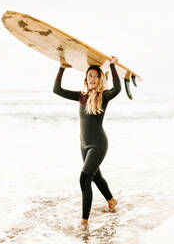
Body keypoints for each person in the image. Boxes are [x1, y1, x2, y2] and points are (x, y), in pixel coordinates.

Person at [53, 56, 121, 227]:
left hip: (98, 144)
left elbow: (118, 89)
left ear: (100, 79)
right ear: (86, 78)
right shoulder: (81, 96)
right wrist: (62, 68)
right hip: (84, 144)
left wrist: (112, 66)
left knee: (84, 179)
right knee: (96, 176)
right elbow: (57, 89)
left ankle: (84, 221)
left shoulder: (103, 96)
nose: (92, 79)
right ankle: (111, 201)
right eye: (89, 75)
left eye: (96, 76)